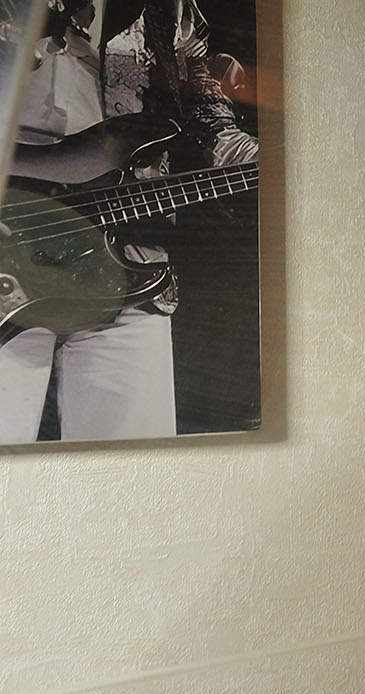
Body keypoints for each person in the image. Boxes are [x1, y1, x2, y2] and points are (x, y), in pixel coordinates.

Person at [0, 0, 257, 443]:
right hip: (11, 250)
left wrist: (274, 161)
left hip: (128, 260)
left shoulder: (167, 7)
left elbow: (210, 122)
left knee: (138, 464)